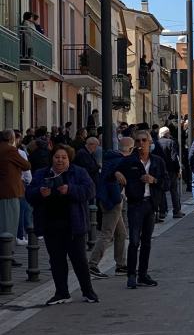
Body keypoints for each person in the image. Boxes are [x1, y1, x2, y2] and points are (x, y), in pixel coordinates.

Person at [26, 144, 98, 305]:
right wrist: (40, 193)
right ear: (52, 158)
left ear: (69, 159)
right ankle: (62, 292)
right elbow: (29, 193)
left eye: (63, 158)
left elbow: (90, 191)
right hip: (50, 224)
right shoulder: (41, 174)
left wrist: (70, 189)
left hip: (73, 224)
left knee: (79, 260)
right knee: (57, 261)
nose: (60, 160)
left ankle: (88, 291)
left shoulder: (78, 172)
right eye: (57, 157)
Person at [115, 130, 169, 289]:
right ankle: (131, 275)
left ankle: (143, 274)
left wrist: (154, 180)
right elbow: (113, 171)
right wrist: (117, 173)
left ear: (150, 142)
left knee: (146, 242)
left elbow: (166, 183)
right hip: (135, 204)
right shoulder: (129, 161)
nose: (141, 144)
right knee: (134, 241)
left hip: (151, 204)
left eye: (144, 140)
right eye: (137, 141)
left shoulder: (158, 161)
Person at [89, 136, 134, 278]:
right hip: (112, 201)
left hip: (110, 199)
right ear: (131, 149)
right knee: (106, 233)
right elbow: (114, 174)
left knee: (121, 234)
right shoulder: (120, 161)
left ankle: (120, 265)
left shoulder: (111, 158)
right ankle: (92, 264)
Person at [0, 129, 31, 265]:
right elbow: (26, 165)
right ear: (11, 138)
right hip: (10, 191)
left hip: (3, 191)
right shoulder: (10, 150)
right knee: (10, 224)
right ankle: (8, 255)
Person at [154, 126, 184, 219]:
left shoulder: (156, 143)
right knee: (174, 191)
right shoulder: (171, 142)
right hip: (171, 170)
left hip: (160, 170)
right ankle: (176, 211)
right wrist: (178, 169)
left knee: (162, 191)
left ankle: (163, 211)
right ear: (168, 133)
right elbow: (174, 157)